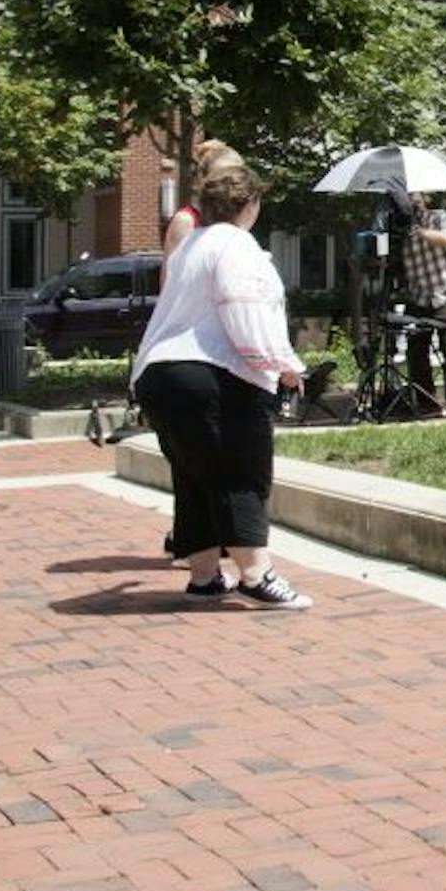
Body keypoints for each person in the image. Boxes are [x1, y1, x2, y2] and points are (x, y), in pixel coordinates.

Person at [131, 163, 312, 610]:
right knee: (240, 469)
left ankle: (205, 575)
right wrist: (283, 364)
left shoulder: (191, 245)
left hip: (160, 374)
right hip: (211, 375)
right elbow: (242, 308)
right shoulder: (236, 245)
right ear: (250, 204)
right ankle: (256, 574)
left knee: (193, 475)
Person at [157, 137, 243, 561]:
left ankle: (208, 538)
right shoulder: (188, 223)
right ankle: (195, 538)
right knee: (194, 453)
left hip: (223, 350)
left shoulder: (231, 226)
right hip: (191, 348)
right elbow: (173, 292)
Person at [400, 190, 446, 418]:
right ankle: (427, 403)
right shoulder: (402, 228)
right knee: (416, 352)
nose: (410, 200)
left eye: (414, 195)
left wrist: (419, 232)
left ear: (425, 198)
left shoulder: (440, 217)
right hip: (419, 297)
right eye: (406, 196)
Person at [161, 139, 243, 284]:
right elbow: (169, 284)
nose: (231, 187)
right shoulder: (186, 221)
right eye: (223, 180)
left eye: (237, 179)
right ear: (203, 181)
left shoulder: (237, 221)